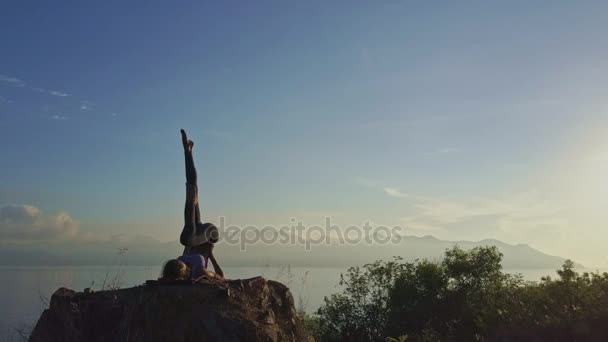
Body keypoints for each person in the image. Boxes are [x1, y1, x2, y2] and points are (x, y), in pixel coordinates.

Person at [174, 129, 224, 280]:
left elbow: (219, 277)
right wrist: (211, 254)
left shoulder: (187, 260)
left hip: (197, 235)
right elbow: (220, 277)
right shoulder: (193, 264)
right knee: (192, 192)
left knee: (192, 188)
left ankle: (187, 151)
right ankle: (187, 152)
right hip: (209, 234)